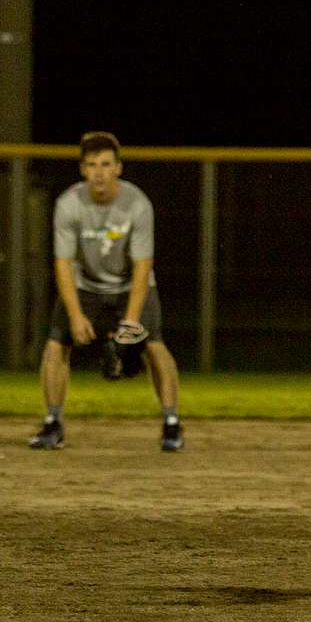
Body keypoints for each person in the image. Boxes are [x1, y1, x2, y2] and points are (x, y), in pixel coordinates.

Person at [29, 131, 184, 452]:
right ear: (82, 169)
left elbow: (142, 266)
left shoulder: (137, 204)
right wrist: (74, 316)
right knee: (57, 343)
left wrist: (129, 324)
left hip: (131, 285)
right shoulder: (69, 204)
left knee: (154, 345)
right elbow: (62, 263)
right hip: (85, 284)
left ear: (118, 168)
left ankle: (172, 424)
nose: (99, 172)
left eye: (105, 164)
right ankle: (52, 422)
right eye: (92, 165)